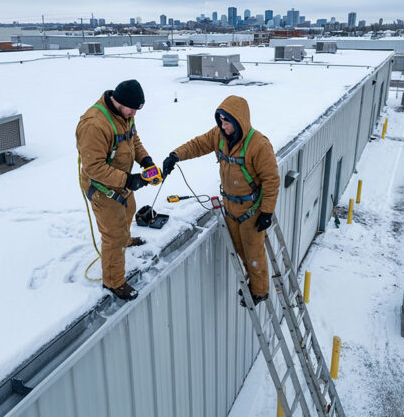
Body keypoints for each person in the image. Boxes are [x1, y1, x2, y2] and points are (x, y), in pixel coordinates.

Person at [162, 95, 279, 306]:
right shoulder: (219, 135)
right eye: (220, 120)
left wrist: (267, 212)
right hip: (230, 207)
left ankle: (260, 290)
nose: (223, 126)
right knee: (241, 250)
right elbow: (197, 145)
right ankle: (253, 284)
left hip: (251, 210)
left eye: (227, 121)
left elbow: (271, 180)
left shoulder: (258, 145)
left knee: (253, 253)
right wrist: (175, 155)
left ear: (239, 121)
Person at [76, 79, 155, 300]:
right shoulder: (94, 125)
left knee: (129, 210)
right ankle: (114, 281)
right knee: (113, 235)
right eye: (132, 109)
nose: (134, 114)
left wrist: (146, 160)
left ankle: (126, 240)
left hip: (121, 181)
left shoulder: (125, 115)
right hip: (102, 187)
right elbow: (93, 167)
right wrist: (128, 181)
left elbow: (133, 140)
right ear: (118, 101)